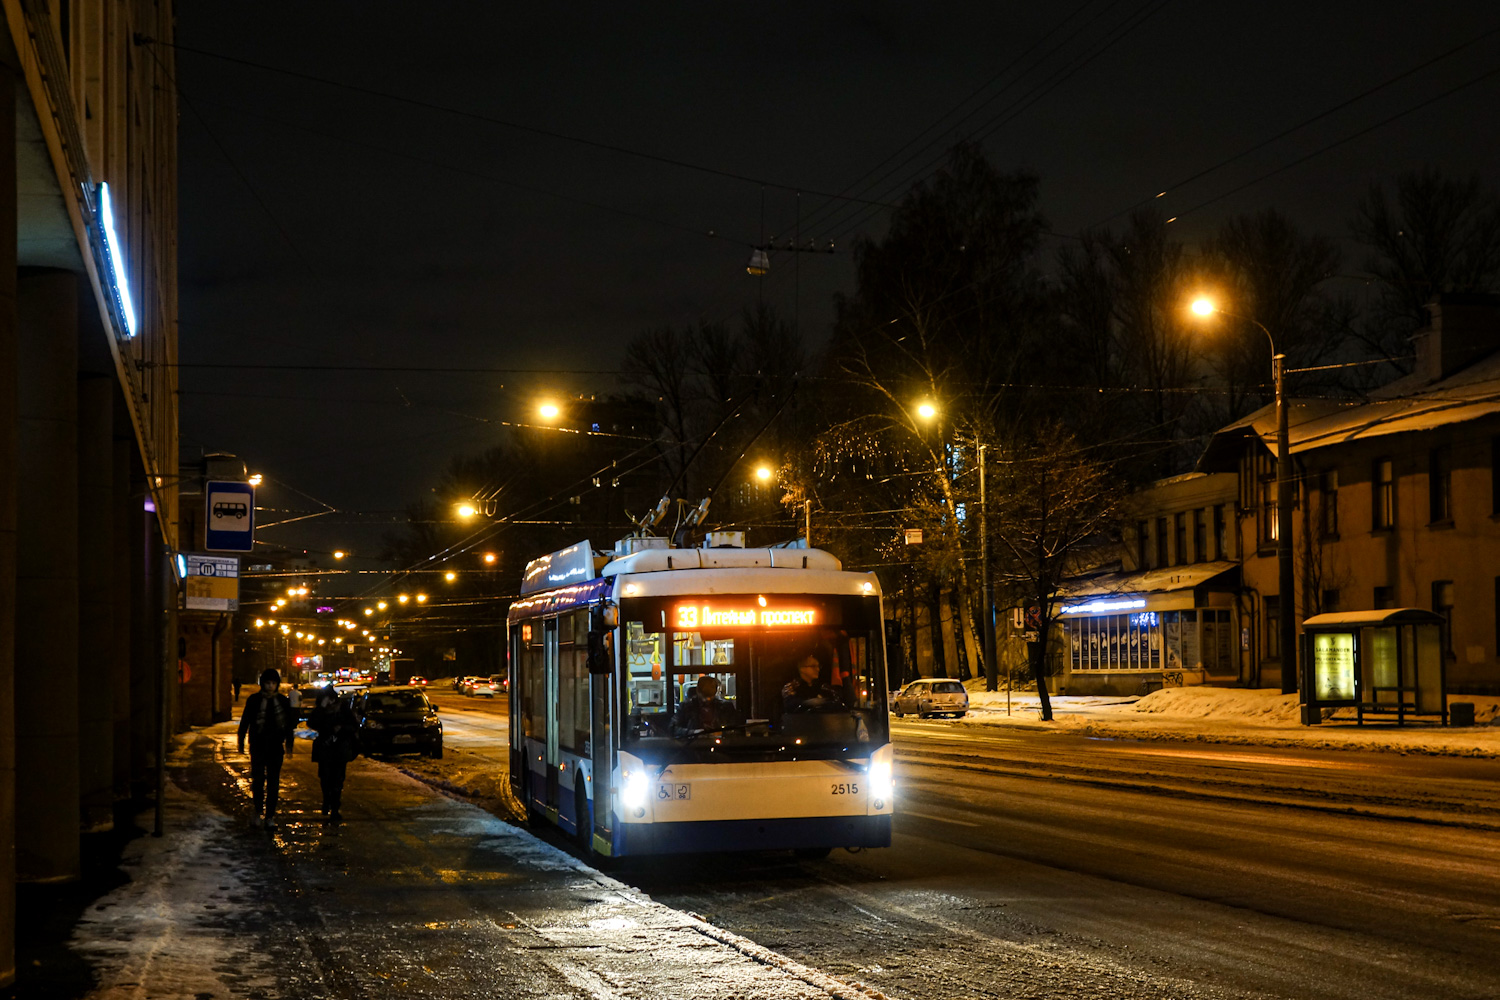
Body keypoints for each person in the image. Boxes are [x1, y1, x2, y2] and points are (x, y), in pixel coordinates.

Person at [237, 668, 296, 829]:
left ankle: (270, 815)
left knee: (273, 783)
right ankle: (257, 812)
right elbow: (245, 721)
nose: (270, 686)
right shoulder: (254, 700)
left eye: (273, 683)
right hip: (258, 745)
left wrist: (289, 744)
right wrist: (241, 741)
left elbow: (289, 725)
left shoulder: (283, 701)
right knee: (257, 781)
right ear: (262, 683)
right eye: (267, 683)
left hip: (276, 747)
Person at [308, 686, 358, 823]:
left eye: (330, 698)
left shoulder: (343, 708)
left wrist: (341, 728)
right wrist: (321, 709)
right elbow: (311, 722)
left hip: (340, 749)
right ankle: (327, 800)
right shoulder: (320, 710)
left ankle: (335, 808)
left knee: (337, 780)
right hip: (325, 748)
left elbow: (354, 725)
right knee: (325, 778)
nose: (329, 702)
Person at [671, 675, 739, 736]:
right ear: (697, 691)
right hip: (693, 745)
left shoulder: (726, 707)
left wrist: (721, 733)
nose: (707, 700)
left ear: (715, 692)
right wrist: (693, 732)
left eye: (710, 696)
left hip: (722, 746)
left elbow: (737, 728)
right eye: (704, 696)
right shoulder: (686, 707)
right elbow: (672, 728)